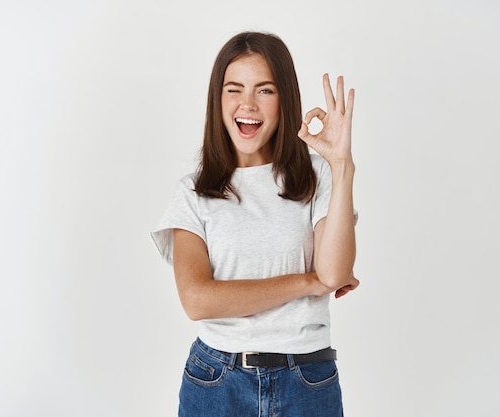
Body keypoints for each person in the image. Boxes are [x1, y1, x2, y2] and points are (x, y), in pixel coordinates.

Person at [151, 31, 359, 417]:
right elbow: (197, 300)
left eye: (265, 90)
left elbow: (334, 272)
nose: (248, 104)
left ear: (284, 101)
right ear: (218, 99)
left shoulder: (317, 178)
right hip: (216, 381)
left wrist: (342, 165)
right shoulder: (194, 193)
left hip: (308, 380)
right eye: (234, 89)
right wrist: (307, 282)